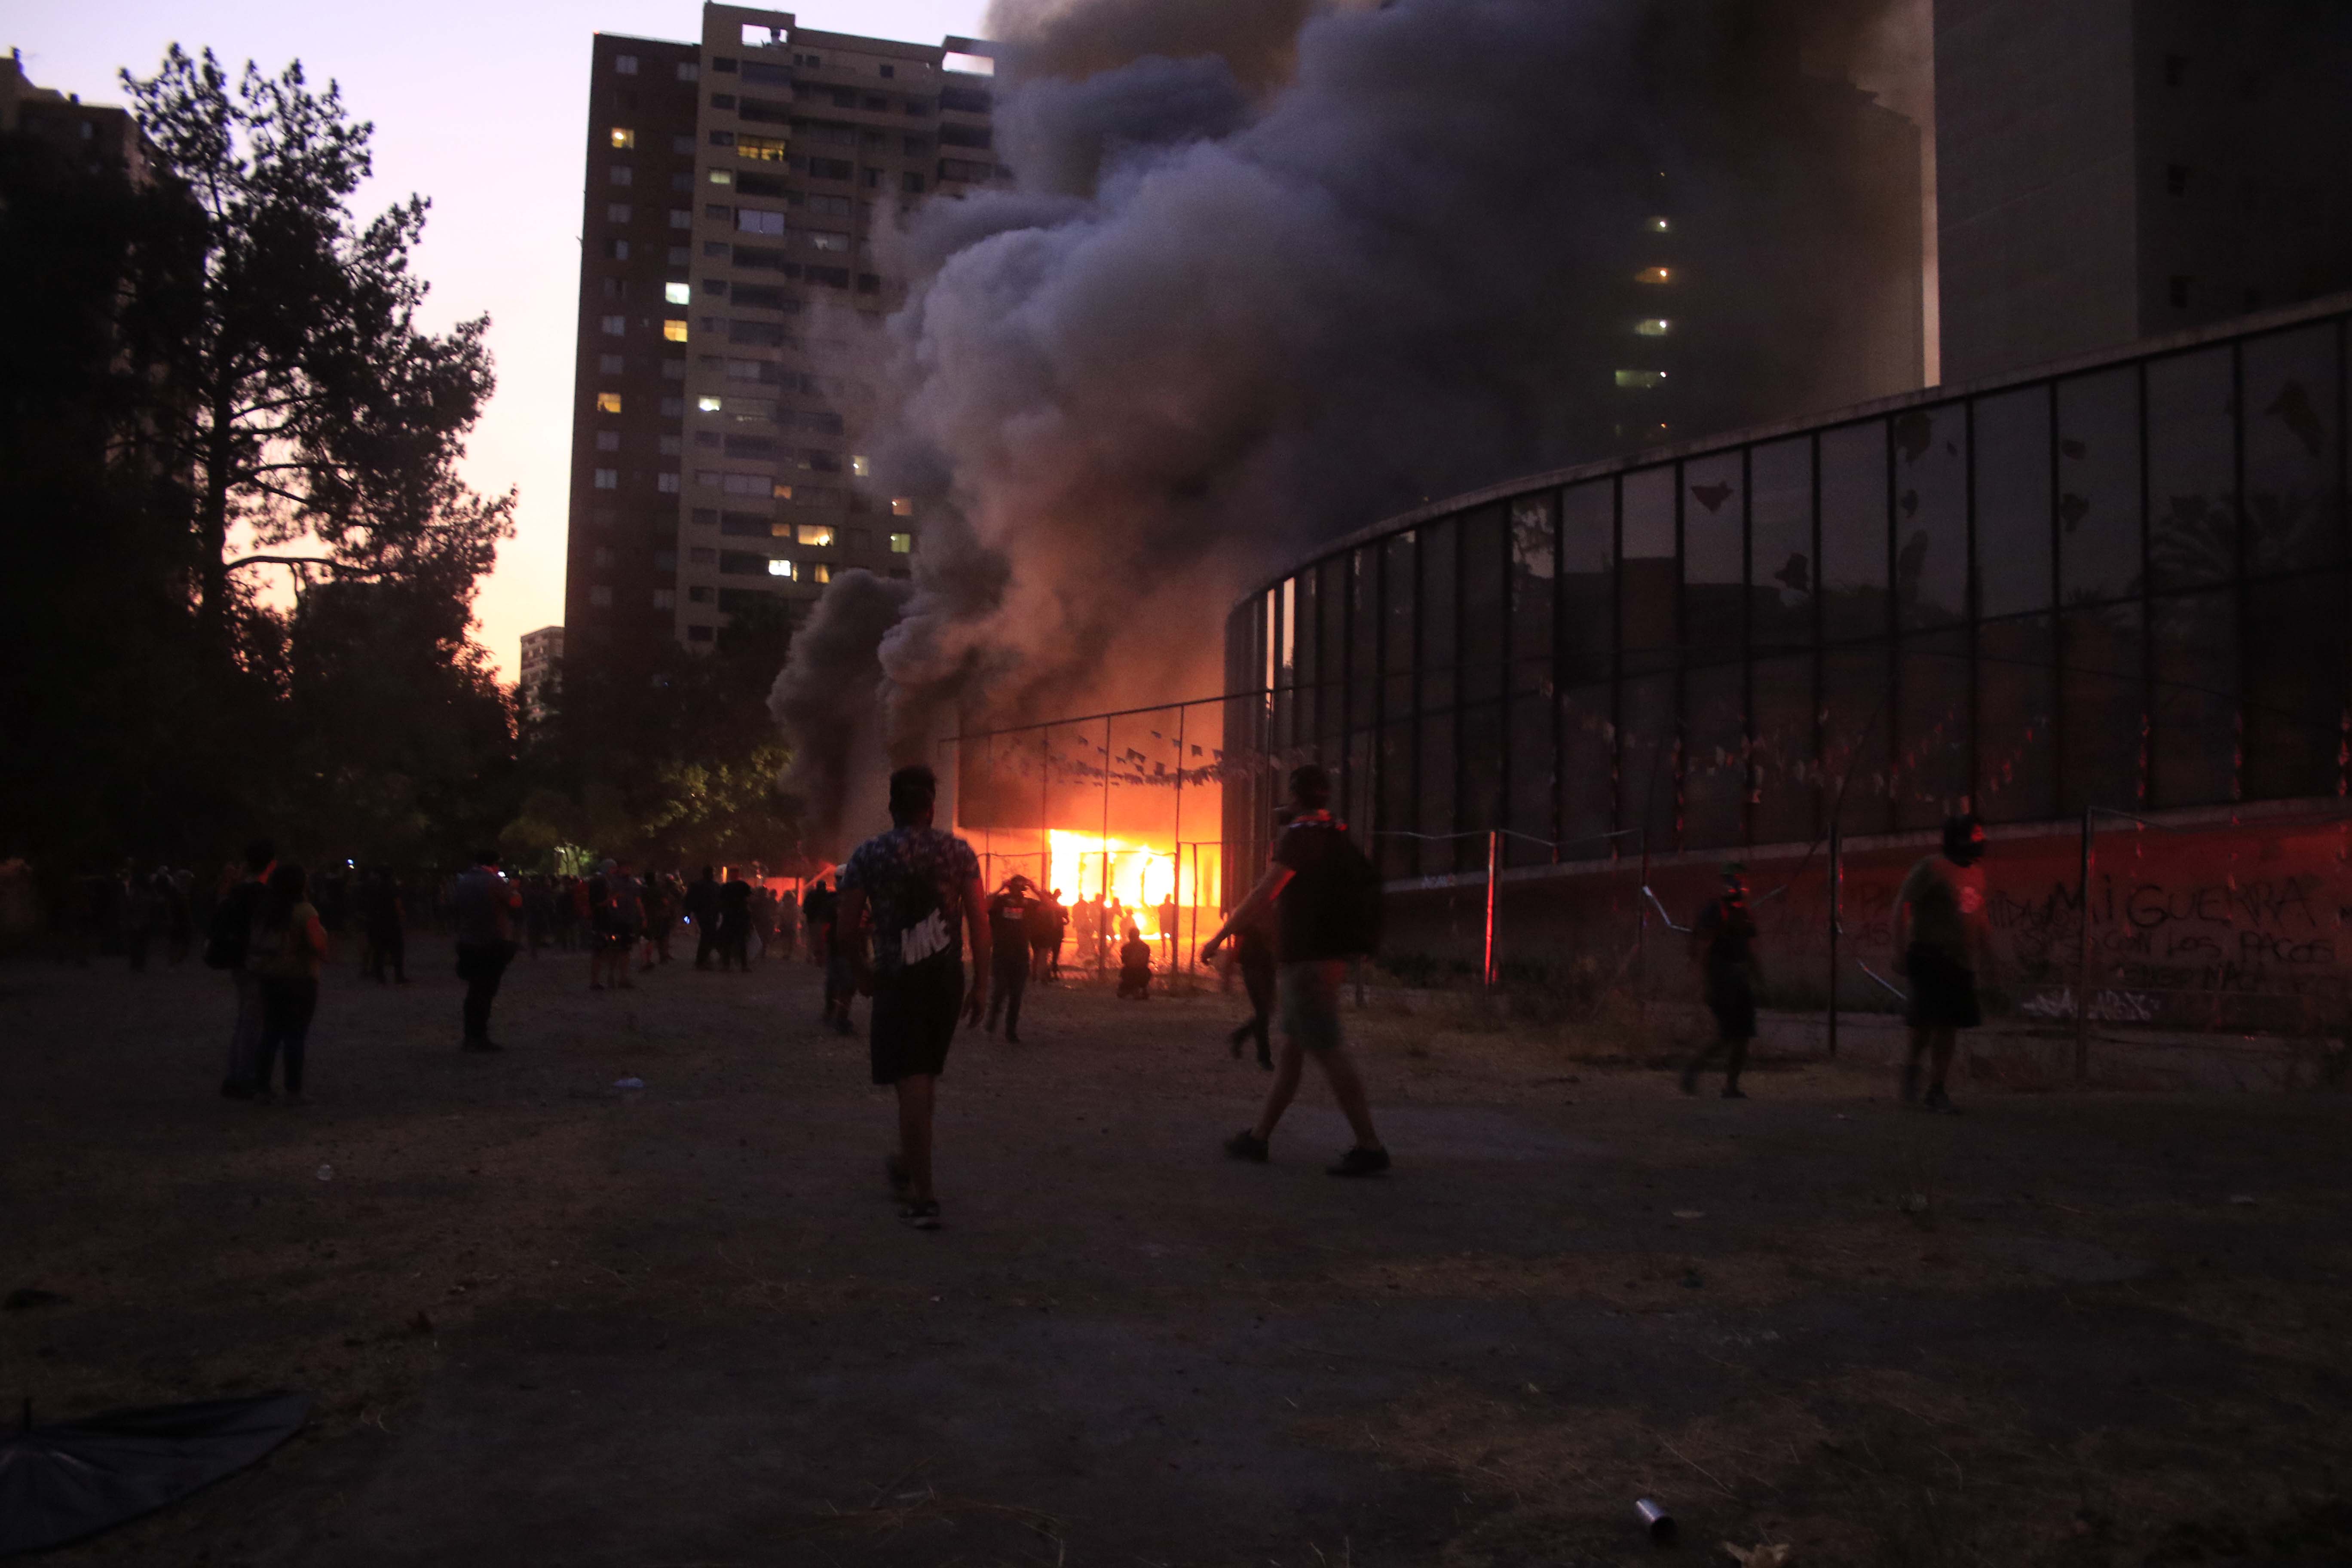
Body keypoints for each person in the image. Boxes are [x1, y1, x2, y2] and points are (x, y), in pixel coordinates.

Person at [1202, 765, 1389, 1176]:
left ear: (1296, 795)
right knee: (1292, 1053)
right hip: (1327, 958)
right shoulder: (1334, 833)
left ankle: (1370, 1146)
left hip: (1308, 962)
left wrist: (1220, 938)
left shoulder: (1302, 837)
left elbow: (1264, 892)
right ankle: (1258, 1138)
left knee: (1329, 1050)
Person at [837, 765, 988, 1231]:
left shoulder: (869, 855)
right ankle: (907, 1161)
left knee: (913, 1080)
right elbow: (979, 922)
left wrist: (862, 973)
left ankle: (924, 1197)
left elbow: (845, 929)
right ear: (931, 807)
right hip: (944, 981)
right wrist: (982, 983)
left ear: (892, 807)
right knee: (924, 1076)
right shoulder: (958, 852)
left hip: (898, 981)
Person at [1893, 814, 1992, 1114]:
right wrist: (1899, 951)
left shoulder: (1977, 874)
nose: (1980, 842)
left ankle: (1936, 1090)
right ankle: (1913, 1068)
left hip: (1959, 963)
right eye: (1975, 836)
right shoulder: (1932, 868)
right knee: (1925, 1025)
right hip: (1929, 957)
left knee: (1949, 1027)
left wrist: (1989, 956)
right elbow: (1902, 905)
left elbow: (1979, 917)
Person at [245, 863, 329, 1106]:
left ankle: (262, 1088)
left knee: (270, 1033)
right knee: (295, 1035)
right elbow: (318, 945)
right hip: (299, 979)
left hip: (269, 977)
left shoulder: (265, 910)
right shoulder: (305, 911)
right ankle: (293, 1090)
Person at [1681, 864, 1762, 1098]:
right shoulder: (1715, 910)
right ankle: (1694, 1069)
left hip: (1740, 980)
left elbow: (1748, 949)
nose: (1738, 885)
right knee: (1727, 1034)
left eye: (1740, 880)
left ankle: (1731, 1086)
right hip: (1721, 979)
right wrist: (1706, 980)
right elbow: (1698, 942)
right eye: (1733, 880)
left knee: (1743, 1036)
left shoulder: (1744, 913)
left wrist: (1759, 978)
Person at [205, 839, 276, 1099]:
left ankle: (236, 1074)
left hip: (238, 960)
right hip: (256, 961)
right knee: (253, 1021)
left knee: (245, 1017)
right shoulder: (263, 894)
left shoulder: (238, 892)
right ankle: (244, 1077)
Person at [451, 848, 523, 1052]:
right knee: (485, 991)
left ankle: (470, 1035)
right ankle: (479, 1036)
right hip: (491, 942)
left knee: (474, 990)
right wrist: (513, 888)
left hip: (468, 941)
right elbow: (515, 902)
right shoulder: (494, 882)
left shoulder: (463, 881)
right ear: (494, 864)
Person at [983, 874, 1040, 1041]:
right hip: (1002, 954)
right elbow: (984, 906)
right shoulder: (1000, 901)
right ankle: (993, 1019)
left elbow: (1051, 907)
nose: (1018, 892)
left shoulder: (1029, 904)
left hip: (1020, 955)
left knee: (1016, 995)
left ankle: (1011, 1031)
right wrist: (1000, 889)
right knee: (1000, 990)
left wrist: (1035, 889)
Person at [362, 870, 408, 984]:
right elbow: (397, 903)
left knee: (379, 950)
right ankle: (399, 975)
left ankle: (380, 976)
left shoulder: (374, 888)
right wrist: (402, 916)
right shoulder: (393, 888)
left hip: (378, 922)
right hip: (392, 922)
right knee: (397, 950)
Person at [717, 872, 753, 972]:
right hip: (741, 917)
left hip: (729, 917)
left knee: (728, 942)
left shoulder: (726, 887)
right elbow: (750, 898)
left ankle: (727, 965)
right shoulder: (743, 886)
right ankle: (744, 965)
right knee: (741, 942)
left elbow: (720, 900)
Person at [686, 866, 723, 969]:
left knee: (707, 936)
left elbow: (689, 900)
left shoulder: (698, 885)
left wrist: (689, 913)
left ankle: (703, 960)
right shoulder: (713, 886)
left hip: (704, 915)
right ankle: (702, 960)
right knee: (708, 936)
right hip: (708, 914)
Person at [1117, 920, 1153, 999]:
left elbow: (1125, 961)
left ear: (1129, 936)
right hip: (1139, 971)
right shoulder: (1145, 947)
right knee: (1132, 973)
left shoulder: (1126, 947)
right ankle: (1137, 990)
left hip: (1135, 971)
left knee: (1128, 972)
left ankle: (1134, 989)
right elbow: (1145, 961)